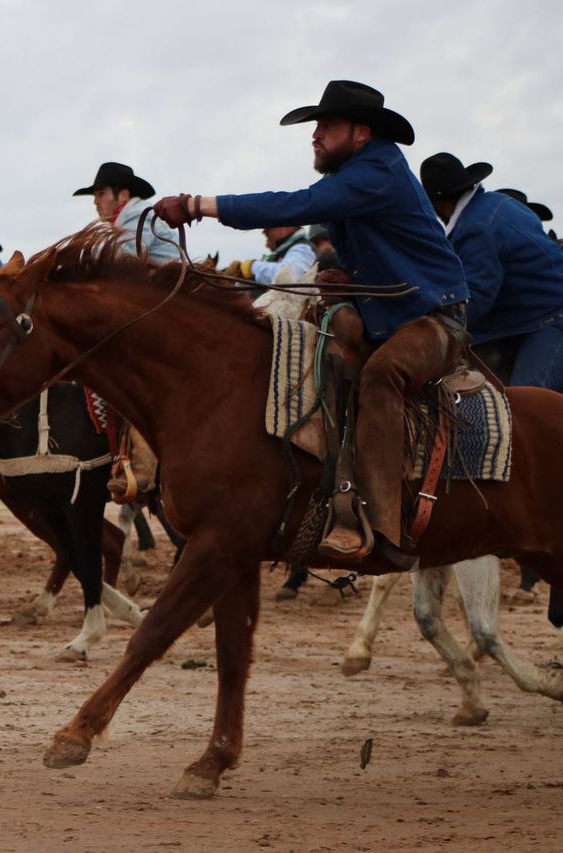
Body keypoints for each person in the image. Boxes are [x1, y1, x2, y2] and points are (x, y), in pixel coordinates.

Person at [153, 80, 469, 564]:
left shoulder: (377, 171)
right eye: (316, 126)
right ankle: (320, 492)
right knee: (310, 338)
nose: (315, 135)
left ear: (361, 133)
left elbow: (292, 204)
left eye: (327, 125)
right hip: (386, 313)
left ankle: (386, 526)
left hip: (433, 319)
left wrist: (198, 204)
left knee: (383, 375)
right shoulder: (354, 176)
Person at [422, 154, 563, 618]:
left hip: (550, 320)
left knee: (526, 421)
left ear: (441, 201)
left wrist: (422, 320)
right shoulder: (494, 207)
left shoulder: (476, 230)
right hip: (526, 321)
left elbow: (475, 298)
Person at [74, 162, 181, 263]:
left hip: (170, 281)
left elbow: (122, 255)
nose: (95, 202)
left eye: (101, 194)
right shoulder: (134, 215)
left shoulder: (140, 215)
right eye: (95, 196)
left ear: (123, 195)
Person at [223, 225, 317, 284]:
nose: (264, 230)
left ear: (286, 225)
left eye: (269, 225)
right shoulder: (285, 252)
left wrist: (252, 267)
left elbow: (290, 276)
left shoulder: (303, 248)